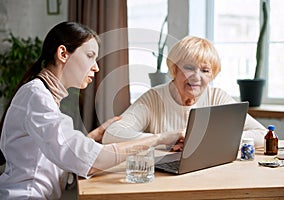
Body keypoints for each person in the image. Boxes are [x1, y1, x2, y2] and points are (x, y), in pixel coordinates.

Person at [0, 22, 182, 199]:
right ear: (63, 54)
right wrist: (160, 138)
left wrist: (93, 136)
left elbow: (60, 156)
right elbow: (87, 159)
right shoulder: (36, 96)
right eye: (89, 56)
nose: (96, 68)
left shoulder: (43, 96)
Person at [102, 35, 267, 150]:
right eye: (189, 67)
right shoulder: (154, 98)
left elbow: (263, 134)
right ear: (174, 69)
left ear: (212, 75)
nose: (196, 77)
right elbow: (112, 134)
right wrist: (164, 140)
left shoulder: (217, 97)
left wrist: (209, 141)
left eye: (205, 70)